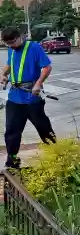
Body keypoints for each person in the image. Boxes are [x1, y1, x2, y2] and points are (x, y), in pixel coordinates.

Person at [0, 27, 56, 169]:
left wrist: (38, 84)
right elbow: (10, 64)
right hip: (14, 97)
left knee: (44, 128)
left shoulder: (34, 47)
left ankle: (57, 154)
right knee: (12, 131)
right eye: (8, 44)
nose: (11, 45)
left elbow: (47, 67)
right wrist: (3, 74)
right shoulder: (11, 49)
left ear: (20, 36)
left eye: (13, 42)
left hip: (32, 98)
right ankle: (12, 161)